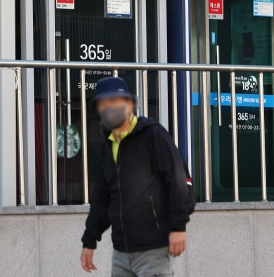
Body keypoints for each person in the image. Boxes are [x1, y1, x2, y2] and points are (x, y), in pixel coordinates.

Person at [80, 77, 194, 276]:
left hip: (154, 251)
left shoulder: (152, 135)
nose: (108, 108)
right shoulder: (107, 148)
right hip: (121, 254)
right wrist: (89, 241)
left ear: (129, 104)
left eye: (114, 102)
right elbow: (101, 200)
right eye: (103, 104)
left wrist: (178, 227)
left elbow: (179, 181)